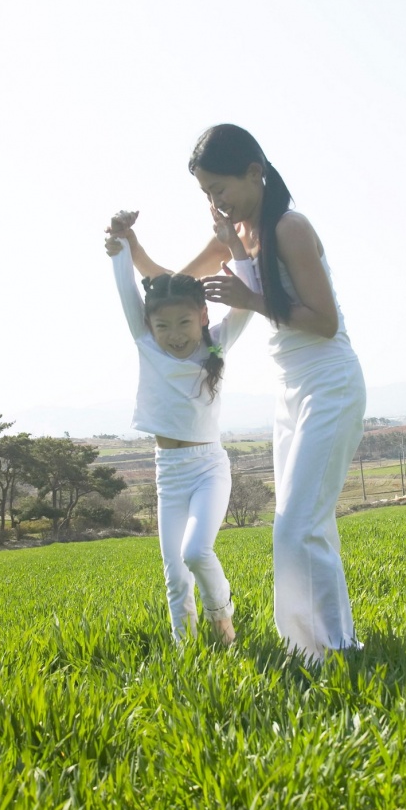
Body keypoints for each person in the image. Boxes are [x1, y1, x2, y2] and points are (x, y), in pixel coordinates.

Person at [123, 126, 366, 663]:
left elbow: (323, 322)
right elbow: (174, 286)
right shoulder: (234, 235)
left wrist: (250, 298)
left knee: (295, 527)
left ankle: (323, 647)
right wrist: (132, 251)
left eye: (220, 188)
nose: (216, 202)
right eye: (207, 194)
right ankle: (334, 642)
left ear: (255, 172)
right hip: (290, 389)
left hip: (329, 382)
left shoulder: (289, 228)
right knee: (308, 525)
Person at [105, 210, 252, 646]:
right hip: (168, 472)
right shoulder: (145, 342)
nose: (173, 334)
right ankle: (185, 652)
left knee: (195, 552)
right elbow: (126, 289)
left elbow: (245, 302)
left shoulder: (217, 345)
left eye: (183, 323)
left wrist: (237, 248)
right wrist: (120, 242)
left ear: (203, 317)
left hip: (208, 467)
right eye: (162, 325)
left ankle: (222, 620)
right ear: (150, 325)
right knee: (174, 575)